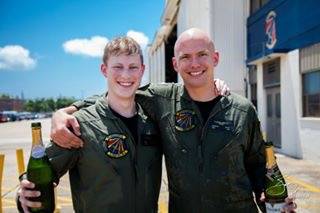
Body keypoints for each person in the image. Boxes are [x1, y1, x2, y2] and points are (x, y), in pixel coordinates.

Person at [47, 28, 296, 212]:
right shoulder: (163, 100)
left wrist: (278, 201)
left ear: (215, 58)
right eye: (186, 57)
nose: (195, 63)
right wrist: (66, 111)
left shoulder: (242, 110)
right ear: (175, 64)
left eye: (202, 55)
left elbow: (261, 169)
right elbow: (118, 93)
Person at [17, 37, 163, 213]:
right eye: (118, 67)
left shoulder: (153, 123)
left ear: (142, 71)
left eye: (133, 67)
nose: (126, 74)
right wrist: (23, 193)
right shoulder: (80, 125)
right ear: (104, 70)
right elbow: (42, 171)